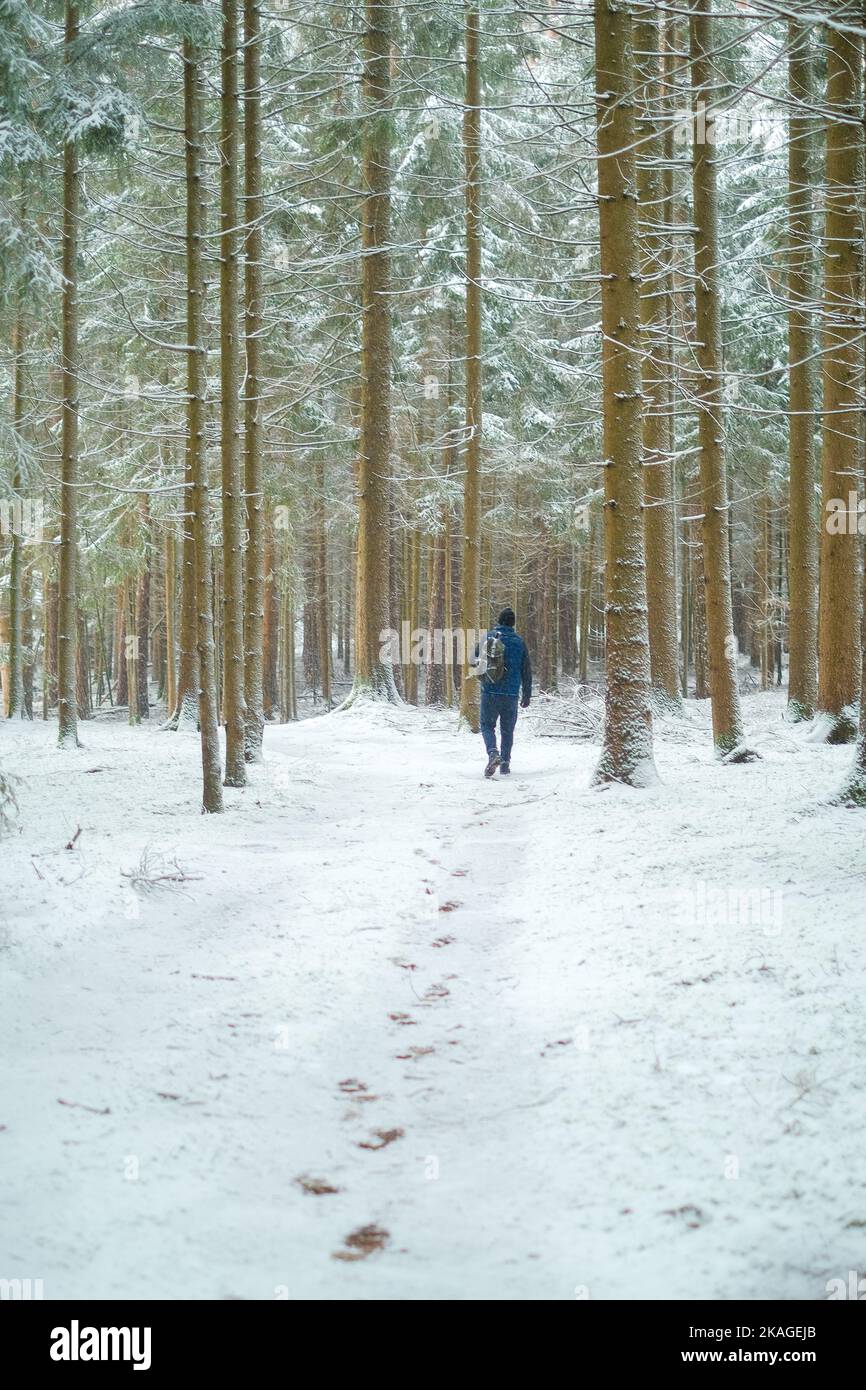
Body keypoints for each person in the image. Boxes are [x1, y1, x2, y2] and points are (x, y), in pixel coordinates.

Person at [475, 607, 532, 778]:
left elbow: (473, 659)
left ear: (499, 621)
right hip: (511, 694)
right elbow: (526, 670)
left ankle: (493, 753)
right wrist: (527, 694)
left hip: (490, 691)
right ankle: (505, 764)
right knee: (507, 730)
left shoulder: (488, 637)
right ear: (513, 623)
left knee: (486, 726)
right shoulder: (519, 642)